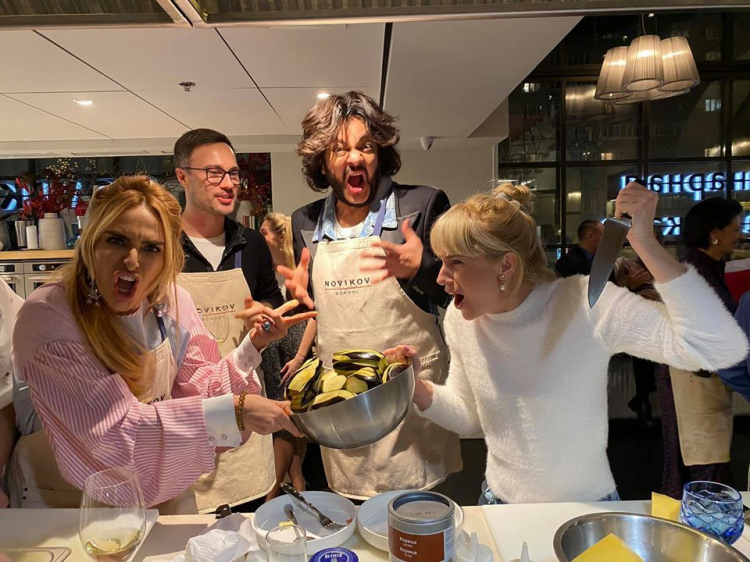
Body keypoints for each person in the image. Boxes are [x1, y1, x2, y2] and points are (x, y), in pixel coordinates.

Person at [393, 181, 746, 504]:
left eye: (454, 262)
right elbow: (472, 417)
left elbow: (719, 348)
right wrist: (415, 388)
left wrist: (644, 242)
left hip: (587, 509)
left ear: (506, 266)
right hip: (499, 503)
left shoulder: (583, 304)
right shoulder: (460, 321)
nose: (441, 277)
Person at [9, 176, 312, 512]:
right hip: (72, 498)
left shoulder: (169, 300)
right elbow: (117, 435)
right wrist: (236, 411)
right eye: (117, 240)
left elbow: (198, 386)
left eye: (151, 248)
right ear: (91, 242)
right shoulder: (50, 317)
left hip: (161, 486)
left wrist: (252, 346)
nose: (132, 261)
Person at [282, 91, 462, 499]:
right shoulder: (304, 222)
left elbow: (458, 297)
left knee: (417, 515)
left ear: (380, 153)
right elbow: (318, 306)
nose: (354, 158)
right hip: (342, 403)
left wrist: (423, 268)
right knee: (353, 514)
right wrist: (300, 296)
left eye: (365, 146)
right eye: (339, 149)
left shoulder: (422, 204)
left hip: (409, 397)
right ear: (321, 162)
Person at [174, 129, 285, 511]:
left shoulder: (251, 243)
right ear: (182, 176)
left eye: (234, 173)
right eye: (214, 173)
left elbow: (271, 297)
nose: (228, 184)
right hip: (186, 414)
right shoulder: (162, 245)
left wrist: (265, 316)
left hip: (245, 406)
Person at [657, 196, 743, 497]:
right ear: (714, 233)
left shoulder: (706, 267)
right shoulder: (693, 271)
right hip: (693, 380)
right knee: (702, 463)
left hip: (696, 379)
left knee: (698, 459)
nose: (740, 235)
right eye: (736, 228)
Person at [258, 212, 315, 499]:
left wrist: (301, 356)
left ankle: (272, 491)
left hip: (292, 348)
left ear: (280, 236)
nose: (260, 237)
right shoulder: (268, 271)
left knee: (287, 416)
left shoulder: (299, 271)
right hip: (274, 349)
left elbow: (316, 315)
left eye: (264, 232)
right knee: (285, 417)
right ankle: (297, 482)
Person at [615, 225, 664, 428]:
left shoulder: (668, 265)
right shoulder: (627, 265)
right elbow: (615, 298)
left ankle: (642, 399)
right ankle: (643, 400)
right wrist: (631, 287)